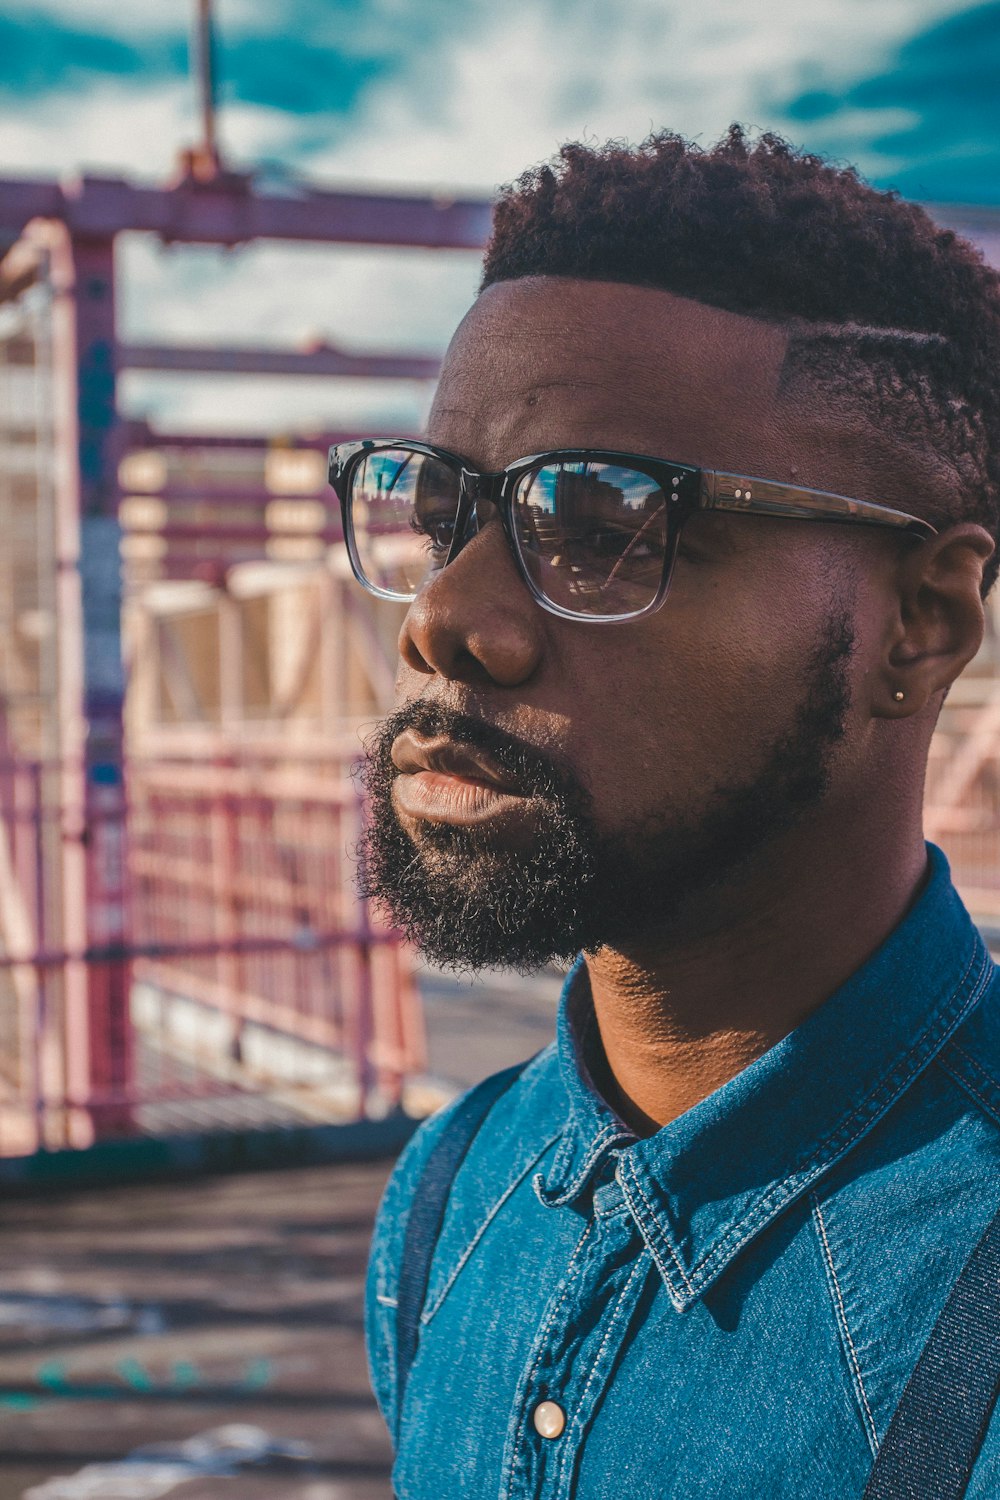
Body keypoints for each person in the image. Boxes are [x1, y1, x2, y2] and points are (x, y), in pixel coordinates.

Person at [330, 127, 1000, 1497]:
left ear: (920, 623)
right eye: (443, 512)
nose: (447, 622)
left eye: (603, 518)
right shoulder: (450, 1199)